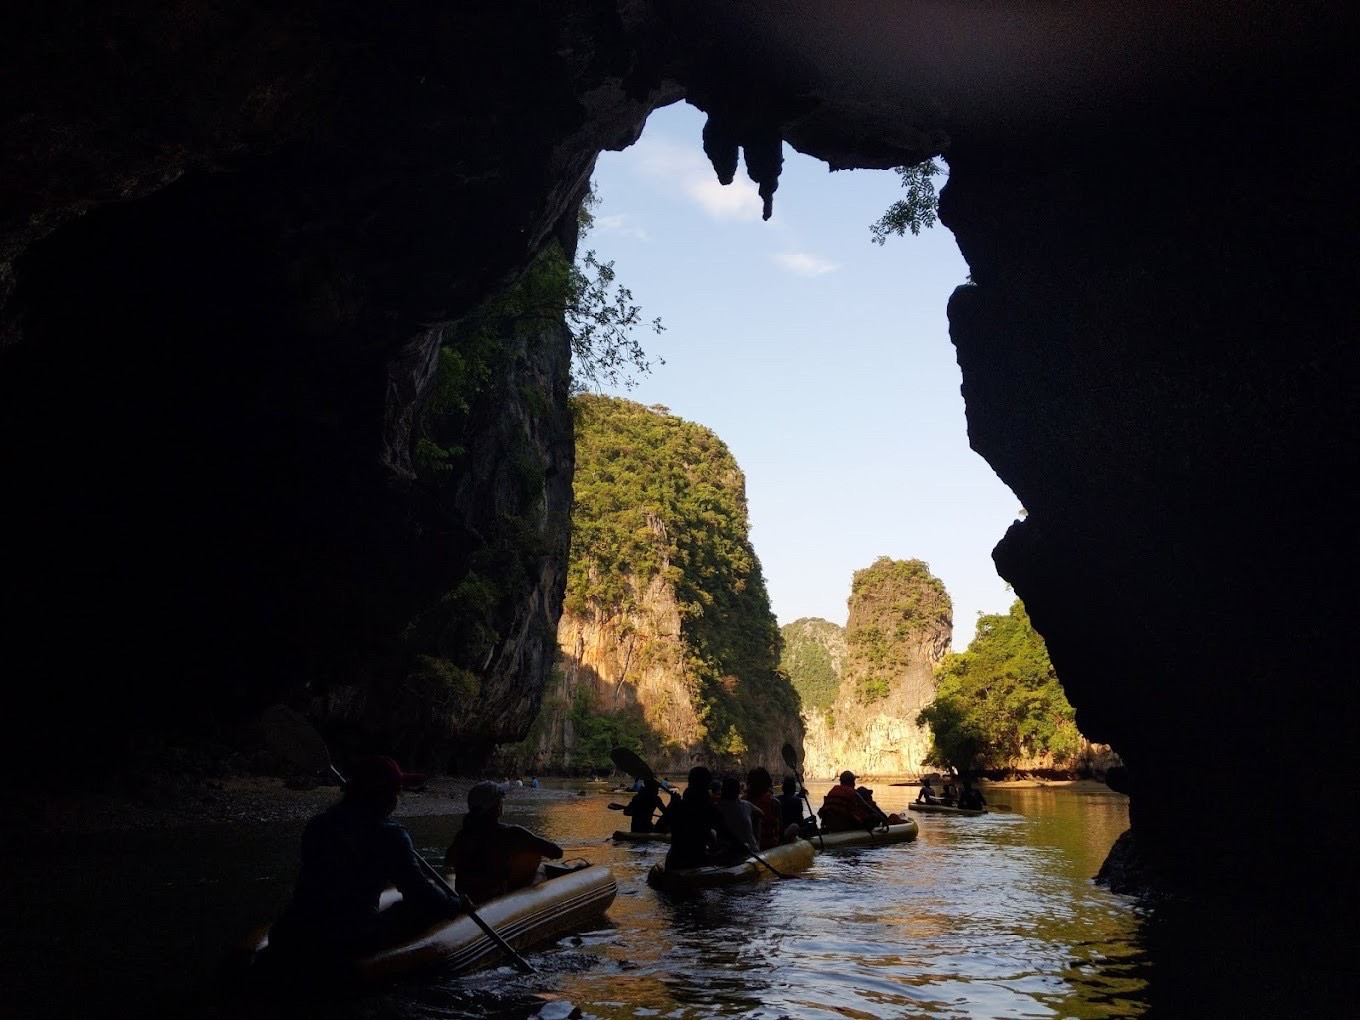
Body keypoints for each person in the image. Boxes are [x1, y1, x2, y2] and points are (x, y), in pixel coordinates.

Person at [267, 755, 463, 963]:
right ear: (385, 796)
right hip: (346, 941)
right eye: (396, 791)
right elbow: (419, 892)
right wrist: (455, 905)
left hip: (290, 931)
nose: (398, 798)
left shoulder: (318, 824)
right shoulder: (391, 835)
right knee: (416, 909)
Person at [445, 781, 564, 905]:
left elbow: (448, 861)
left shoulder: (462, 835)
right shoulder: (512, 833)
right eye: (501, 799)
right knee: (539, 867)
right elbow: (556, 852)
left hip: (466, 899)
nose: (503, 801)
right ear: (496, 806)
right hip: (495, 902)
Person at [664, 766, 723, 870]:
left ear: (690, 783)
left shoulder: (678, 805)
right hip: (696, 861)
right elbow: (723, 832)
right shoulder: (710, 808)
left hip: (674, 860)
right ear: (706, 785)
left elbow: (662, 826)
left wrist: (671, 804)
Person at [715, 775, 760, 858]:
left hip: (728, 853)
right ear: (738, 790)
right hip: (750, 851)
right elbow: (760, 814)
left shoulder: (716, 807)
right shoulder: (746, 805)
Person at [743, 767, 785, 849]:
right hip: (769, 845)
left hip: (747, 846)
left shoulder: (742, 802)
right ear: (767, 784)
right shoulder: (774, 803)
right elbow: (781, 831)